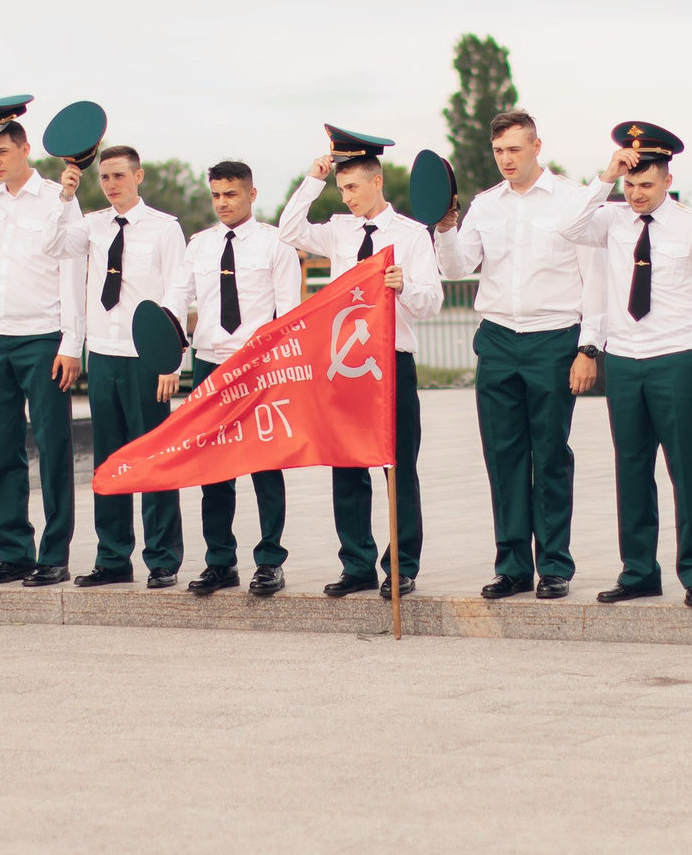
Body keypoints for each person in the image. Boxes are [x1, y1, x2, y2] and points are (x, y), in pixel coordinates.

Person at [560, 124, 692, 607]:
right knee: (632, 469)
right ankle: (639, 570)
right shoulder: (611, 221)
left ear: (667, 179)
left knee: (687, 469)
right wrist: (605, 177)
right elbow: (568, 226)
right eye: (629, 183)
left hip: (676, 360)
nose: (636, 194)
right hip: (624, 362)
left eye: (646, 184)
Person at [433, 108, 597, 601]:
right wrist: (445, 228)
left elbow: (595, 280)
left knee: (549, 455)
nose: (506, 159)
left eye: (515, 149)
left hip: (553, 338)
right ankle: (511, 567)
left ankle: (554, 566)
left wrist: (588, 347)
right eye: (499, 150)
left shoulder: (572, 201)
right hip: (499, 340)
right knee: (502, 456)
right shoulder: (485, 205)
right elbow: (459, 267)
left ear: (537, 146)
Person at [275, 127, 445, 597]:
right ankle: (356, 564)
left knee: (397, 469)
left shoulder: (411, 235)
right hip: (346, 365)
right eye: (341, 187)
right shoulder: (337, 231)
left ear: (377, 182)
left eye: (353, 187)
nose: (346, 196)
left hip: (391, 362)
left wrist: (402, 286)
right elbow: (289, 230)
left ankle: (402, 566)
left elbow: (432, 301)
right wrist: (314, 178)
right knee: (347, 467)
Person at [0, 102, 86, 587]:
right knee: (1, 448)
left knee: (52, 447)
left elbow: (72, 271)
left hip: (42, 337)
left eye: (4, 151)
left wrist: (72, 342)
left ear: (27, 149)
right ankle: (13, 552)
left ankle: (54, 553)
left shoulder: (56, 198)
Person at [51, 145, 191, 588]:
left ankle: (163, 558)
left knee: (153, 456)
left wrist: (171, 357)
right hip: (105, 354)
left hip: (146, 357)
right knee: (108, 460)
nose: (111, 185)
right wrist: (65, 197)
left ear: (138, 176)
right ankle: (112, 557)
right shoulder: (90, 224)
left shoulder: (165, 229)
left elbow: (178, 291)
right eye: (105, 177)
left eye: (118, 176)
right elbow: (52, 244)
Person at [174, 161, 307, 595]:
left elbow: (288, 316)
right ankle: (219, 561)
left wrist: (278, 371)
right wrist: (168, 350)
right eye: (216, 195)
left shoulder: (276, 245)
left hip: (258, 367)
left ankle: (270, 561)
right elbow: (176, 299)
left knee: (265, 466)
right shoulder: (199, 246)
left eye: (230, 194)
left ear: (251, 194)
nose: (222, 203)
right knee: (213, 469)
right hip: (210, 366)